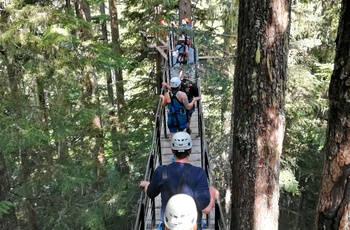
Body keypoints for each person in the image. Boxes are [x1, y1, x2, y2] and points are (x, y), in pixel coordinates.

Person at [139, 132, 219, 230]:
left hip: (169, 226)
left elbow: (150, 193)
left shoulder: (161, 171)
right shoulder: (199, 173)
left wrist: (147, 184)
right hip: (190, 226)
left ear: (172, 151)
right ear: (191, 149)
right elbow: (206, 209)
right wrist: (213, 193)